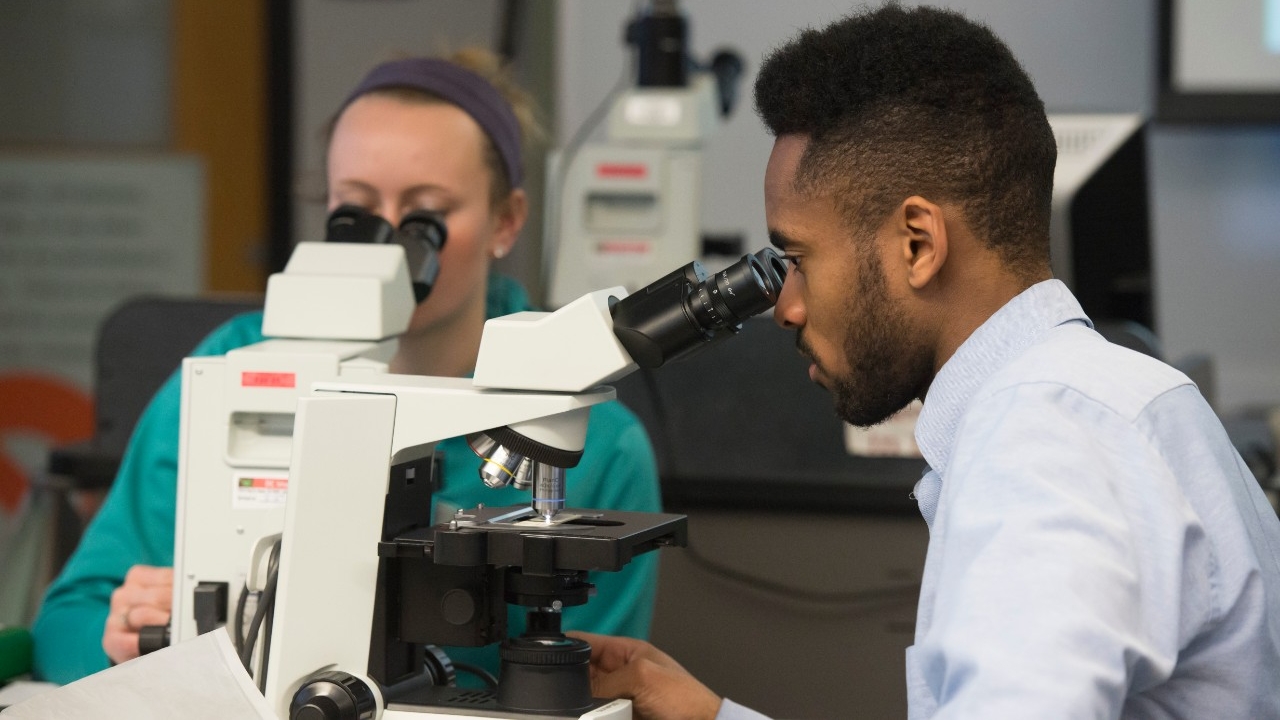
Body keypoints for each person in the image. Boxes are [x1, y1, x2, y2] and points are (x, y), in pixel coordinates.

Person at [575, 5, 1280, 719]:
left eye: (798, 260)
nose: (785, 307)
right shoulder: (1100, 402)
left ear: (918, 243)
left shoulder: (1043, 449)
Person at [32, 49, 662, 686]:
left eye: (426, 215)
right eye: (356, 209)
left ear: (506, 221)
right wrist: (121, 640)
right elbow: (62, 626)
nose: (387, 242)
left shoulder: (588, 434)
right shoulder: (228, 370)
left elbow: (594, 676)